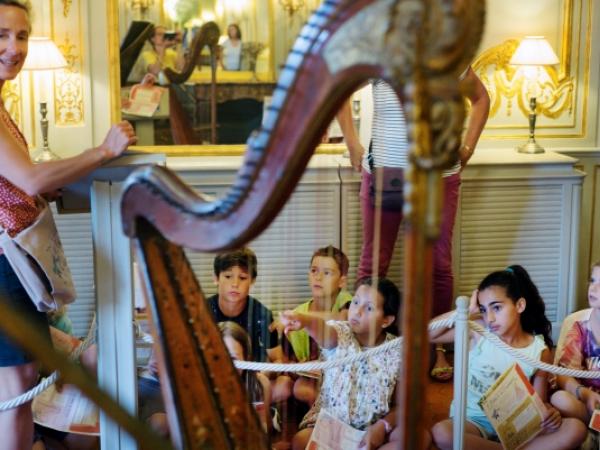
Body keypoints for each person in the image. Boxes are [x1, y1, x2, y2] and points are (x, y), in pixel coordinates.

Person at [0, 2, 136, 448]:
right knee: (15, 392)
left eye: (22, 36)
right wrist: (103, 151)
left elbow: (19, 183)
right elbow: (31, 176)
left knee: (17, 390)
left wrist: (41, 191)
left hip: (12, 264)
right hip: (5, 265)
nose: (13, 48)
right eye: (2, 35)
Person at [337, 67, 490, 381]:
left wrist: (467, 148)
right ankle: (363, 348)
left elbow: (480, 99)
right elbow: (340, 91)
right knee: (373, 265)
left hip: (439, 177)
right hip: (384, 176)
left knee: (438, 266)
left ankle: (436, 347)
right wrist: (352, 143)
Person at [430, 265, 587, 450]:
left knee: (576, 429)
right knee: (442, 433)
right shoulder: (478, 330)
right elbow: (428, 334)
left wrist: (548, 414)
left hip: (517, 429)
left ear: (520, 305)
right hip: (472, 423)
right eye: (483, 309)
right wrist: (465, 312)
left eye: (496, 308)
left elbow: (538, 402)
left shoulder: (539, 350)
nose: (490, 318)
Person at [280, 277, 402, 450]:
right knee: (301, 441)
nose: (357, 311)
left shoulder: (396, 349)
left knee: (412, 438)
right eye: (355, 302)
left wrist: (381, 427)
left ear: (386, 320)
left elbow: (401, 404)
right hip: (332, 427)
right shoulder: (341, 333)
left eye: (368, 308)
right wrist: (305, 321)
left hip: (373, 431)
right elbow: (323, 331)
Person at [276, 245, 353, 407]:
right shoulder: (297, 313)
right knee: (300, 388)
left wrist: (303, 319)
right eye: (314, 271)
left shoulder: (347, 302)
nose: (318, 277)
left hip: (345, 377)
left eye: (327, 273)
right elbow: (287, 361)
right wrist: (298, 366)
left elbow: (342, 319)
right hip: (313, 381)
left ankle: (340, 413)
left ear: (342, 281)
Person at [207, 247, 282, 363]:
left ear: (252, 281)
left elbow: (277, 360)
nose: (235, 284)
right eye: (228, 276)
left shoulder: (262, 315)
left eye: (242, 278)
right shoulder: (202, 312)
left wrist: (262, 376)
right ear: (216, 278)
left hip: (252, 376)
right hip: (214, 376)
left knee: (284, 381)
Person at [551, 260, 600, 423]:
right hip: (587, 404)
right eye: (592, 281)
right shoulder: (577, 323)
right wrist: (585, 394)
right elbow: (563, 376)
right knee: (560, 399)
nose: (593, 288)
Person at [219, 321, 272, 432]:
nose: (226, 365)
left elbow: (264, 430)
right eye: (219, 357)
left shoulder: (261, 384)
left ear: (246, 358)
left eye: (233, 358)